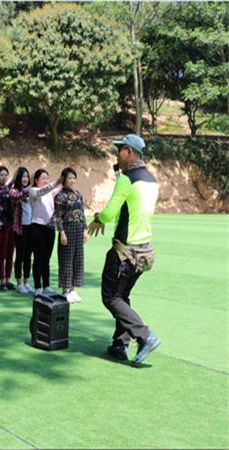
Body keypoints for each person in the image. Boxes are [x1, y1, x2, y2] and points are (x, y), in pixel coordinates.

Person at [88, 134, 160, 365]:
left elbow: (109, 212)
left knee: (110, 297)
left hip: (124, 251)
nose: (116, 154)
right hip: (143, 252)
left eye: (119, 150)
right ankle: (120, 344)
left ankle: (145, 336)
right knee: (122, 295)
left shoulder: (126, 178)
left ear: (129, 152)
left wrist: (98, 217)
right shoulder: (151, 179)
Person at [53, 167, 87, 303]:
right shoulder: (60, 196)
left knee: (77, 260)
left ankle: (72, 290)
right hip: (66, 230)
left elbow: (82, 213)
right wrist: (61, 233)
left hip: (78, 229)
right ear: (64, 180)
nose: (72, 180)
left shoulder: (78, 194)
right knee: (66, 260)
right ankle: (65, 290)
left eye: (74, 178)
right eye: (69, 178)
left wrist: (85, 230)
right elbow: (57, 216)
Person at [29, 169, 62, 295]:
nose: (45, 180)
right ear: (36, 180)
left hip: (50, 228)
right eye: (43, 178)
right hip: (37, 228)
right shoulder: (33, 191)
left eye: (47, 178)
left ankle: (46, 285)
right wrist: (55, 183)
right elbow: (43, 191)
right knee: (38, 258)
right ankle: (38, 287)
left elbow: (60, 190)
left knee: (46, 259)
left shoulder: (51, 191)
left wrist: (64, 180)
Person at [9, 167, 34, 294]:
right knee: (20, 255)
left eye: (27, 176)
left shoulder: (31, 191)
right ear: (19, 178)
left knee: (28, 255)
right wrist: (29, 187)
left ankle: (26, 282)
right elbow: (18, 196)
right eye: (23, 176)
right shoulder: (13, 190)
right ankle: (19, 283)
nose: (25, 179)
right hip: (20, 228)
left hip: (31, 226)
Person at [0, 166, 16, 291]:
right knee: (2, 254)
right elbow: (3, 192)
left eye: (6, 174)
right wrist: (13, 179)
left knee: (10, 254)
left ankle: (8, 279)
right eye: (1, 175)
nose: (4, 177)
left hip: (11, 224)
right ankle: (1, 281)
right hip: (0, 225)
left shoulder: (12, 190)